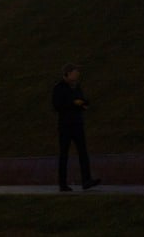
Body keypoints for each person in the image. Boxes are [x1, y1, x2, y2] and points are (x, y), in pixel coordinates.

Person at [52, 64, 100, 192]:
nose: (76, 76)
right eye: (74, 73)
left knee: (83, 152)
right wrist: (72, 104)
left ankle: (87, 180)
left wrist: (83, 103)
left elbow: (81, 100)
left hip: (78, 124)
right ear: (67, 74)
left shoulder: (77, 87)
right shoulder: (59, 88)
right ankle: (62, 183)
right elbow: (57, 105)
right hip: (65, 125)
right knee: (64, 154)